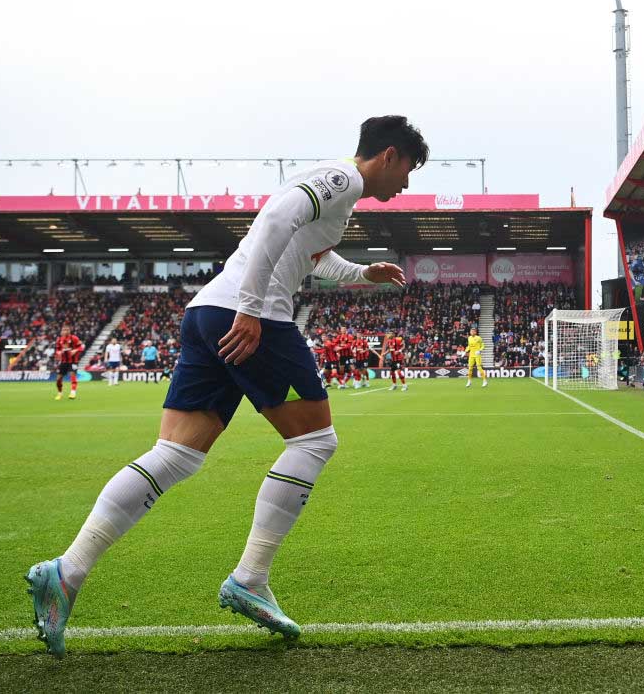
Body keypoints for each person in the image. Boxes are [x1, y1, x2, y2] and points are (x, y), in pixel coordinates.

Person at [25, 115, 427, 657]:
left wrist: (361, 274)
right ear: (389, 155)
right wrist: (252, 308)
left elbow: (308, 253)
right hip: (248, 315)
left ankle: (66, 572)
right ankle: (250, 578)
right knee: (314, 441)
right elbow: (276, 221)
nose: (405, 184)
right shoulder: (345, 178)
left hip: (207, 312)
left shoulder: (335, 191)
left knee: (175, 454)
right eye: (408, 171)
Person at [54, 324, 84, 400]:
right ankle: (60, 393)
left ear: (69, 331)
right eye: (64, 330)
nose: (65, 331)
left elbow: (81, 347)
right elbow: (57, 349)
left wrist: (75, 350)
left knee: (72, 375)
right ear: (61, 331)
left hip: (73, 361)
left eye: (67, 330)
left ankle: (73, 392)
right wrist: (58, 352)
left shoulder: (74, 338)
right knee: (58, 379)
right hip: (63, 362)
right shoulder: (59, 340)